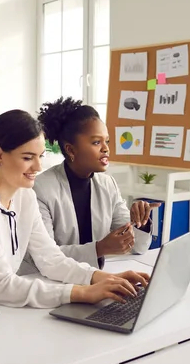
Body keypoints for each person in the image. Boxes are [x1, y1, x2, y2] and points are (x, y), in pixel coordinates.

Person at [0, 109, 149, 307]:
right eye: (28, 157)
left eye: (40, 156)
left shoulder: (25, 196)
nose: (37, 166)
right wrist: (80, 292)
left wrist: (103, 278)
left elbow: (51, 259)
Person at [19, 97, 159, 274]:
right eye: (96, 142)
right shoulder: (41, 189)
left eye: (106, 141)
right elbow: (44, 257)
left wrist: (140, 223)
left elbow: (136, 247)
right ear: (71, 150)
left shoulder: (108, 184)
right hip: (47, 282)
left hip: (92, 280)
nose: (106, 149)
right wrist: (99, 248)